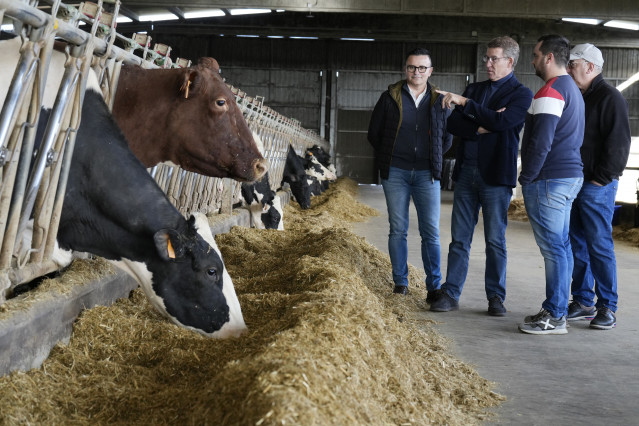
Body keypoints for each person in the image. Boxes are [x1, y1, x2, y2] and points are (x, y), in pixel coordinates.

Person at [429, 36, 533, 315]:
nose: (487, 63)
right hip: (467, 172)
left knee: (495, 240)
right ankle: (450, 293)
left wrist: (466, 105)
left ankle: (495, 297)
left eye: (493, 58)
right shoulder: (475, 88)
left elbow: (504, 122)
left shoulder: (521, 94)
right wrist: (482, 124)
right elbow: (455, 124)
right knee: (459, 238)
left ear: (509, 62)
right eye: (486, 58)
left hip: (496, 175)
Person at [367, 48, 452, 300]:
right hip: (396, 172)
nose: (417, 72)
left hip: (428, 174)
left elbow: (447, 138)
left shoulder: (441, 100)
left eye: (422, 68)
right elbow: (374, 133)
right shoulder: (389, 97)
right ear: (406, 69)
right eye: (412, 67)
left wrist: (433, 156)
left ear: (430, 71)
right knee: (398, 229)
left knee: (430, 232)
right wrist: (391, 156)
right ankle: (400, 283)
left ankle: (434, 286)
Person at [517, 34, 585, 335]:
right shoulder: (570, 87)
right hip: (566, 176)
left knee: (554, 249)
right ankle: (555, 308)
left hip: (550, 178)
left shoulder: (551, 90)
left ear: (548, 57)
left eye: (534, 54)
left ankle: (556, 316)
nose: (532, 60)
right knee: (561, 246)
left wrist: (526, 177)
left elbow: (540, 142)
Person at [566, 43, 631, 330]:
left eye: (573, 64)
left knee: (599, 244)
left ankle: (607, 307)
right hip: (574, 182)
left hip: (595, 184)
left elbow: (619, 143)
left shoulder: (609, 97)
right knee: (577, 243)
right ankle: (582, 300)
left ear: (590, 67)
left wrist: (602, 177)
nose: (568, 69)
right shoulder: (579, 96)